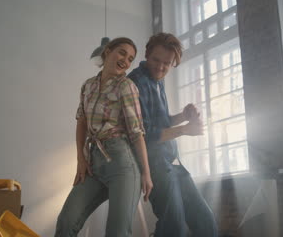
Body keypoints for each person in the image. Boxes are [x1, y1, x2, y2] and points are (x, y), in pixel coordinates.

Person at [55, 37, 153, 237]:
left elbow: (136, 133)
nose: (125, 61)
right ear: (107, 52)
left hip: (123, 165)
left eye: (130, 59)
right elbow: (81, 122)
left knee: (117, 233)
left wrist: (146, 173)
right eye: (122, 53)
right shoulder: (88, 86)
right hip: (93, 162)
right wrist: (81, 159)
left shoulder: (126, 86)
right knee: (66, 221)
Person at [128, 33, 218, 237]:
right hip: (154, 164)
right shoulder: (134, 82)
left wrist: (182, 116)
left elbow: (160, 122)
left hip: (173, 162)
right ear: (146, 54)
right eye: (156, 60)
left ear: (173, 64)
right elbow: (143, 134)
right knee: (174, 227)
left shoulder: (157, 81)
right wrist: (184, 130)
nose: (160, 67)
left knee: (206, 223)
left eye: (166, 64)